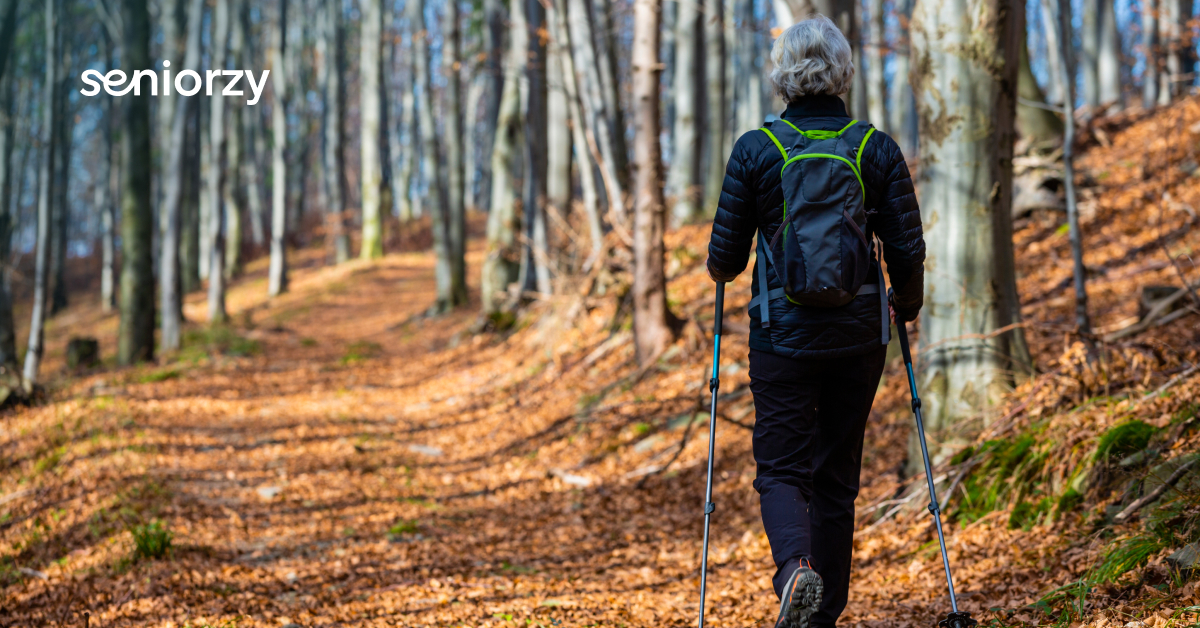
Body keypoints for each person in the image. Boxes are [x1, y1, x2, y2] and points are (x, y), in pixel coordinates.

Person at [705, 15, 926, 628]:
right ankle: (822, 613)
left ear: (782, 74)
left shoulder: (757, 149)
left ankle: (794, 572)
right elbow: (907, 252)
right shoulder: (873, 147)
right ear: (843, 73)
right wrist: (906, 307)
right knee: (835, 477)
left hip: (782, 337)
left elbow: (724, 262)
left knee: (781, 469)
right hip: (859, 339)